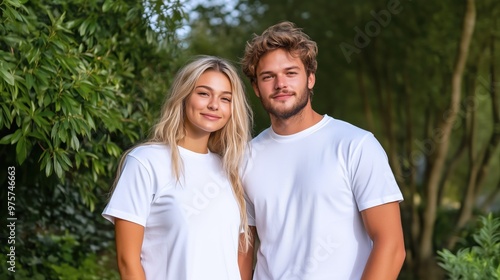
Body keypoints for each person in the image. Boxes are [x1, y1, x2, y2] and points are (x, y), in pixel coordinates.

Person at [238, 21, 406, 280]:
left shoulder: (355, 145)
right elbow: (244, 250)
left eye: (291, 73)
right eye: (268, 76)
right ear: (256, 88)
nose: (280, 84)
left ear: (311, 79)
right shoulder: (245, 158)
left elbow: (391, 246)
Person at [102, 55, 253, 280]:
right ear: (183, 96)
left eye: (225, 98)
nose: (214, 105)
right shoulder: (146, 162)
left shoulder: (231, 169)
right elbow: (127, 262)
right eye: (203, 93)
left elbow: (241, 258)